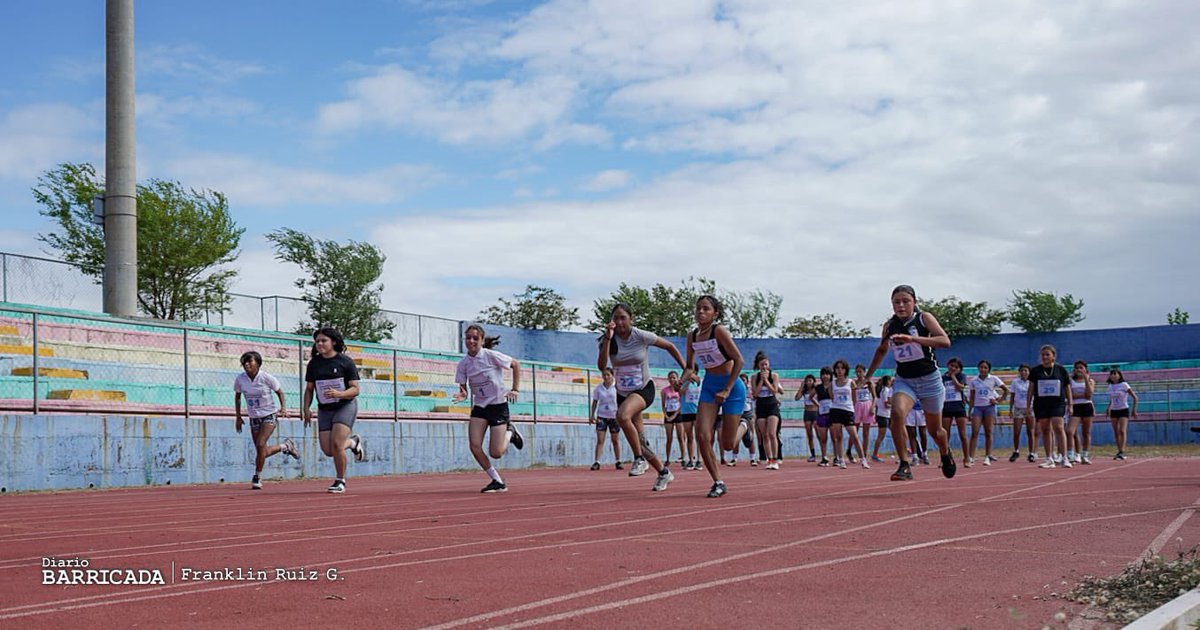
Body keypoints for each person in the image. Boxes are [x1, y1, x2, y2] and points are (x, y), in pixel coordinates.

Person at [865, 284, 956, 482]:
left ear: (914, 302)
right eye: (896, 302)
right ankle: (904, 464)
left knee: (935, 431)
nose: (901, 305)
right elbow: (881, 351)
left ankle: (945, 451)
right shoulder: (889, 326)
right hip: (905, 380)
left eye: (906, 301)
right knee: (897, 414)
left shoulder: (924, 318)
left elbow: (944, 341)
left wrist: (913, 339)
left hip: (930, 380)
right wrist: (867, 376)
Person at [597, 303, 686, 491]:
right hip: (623, 393)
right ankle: (663, 472)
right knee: (640, 440)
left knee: (621, 417)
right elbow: (601, 365)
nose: (620, 322)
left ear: (631, 319)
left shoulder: (641, 336)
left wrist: (685, 368)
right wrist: (607, 338)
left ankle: (638, 459)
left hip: (644, 389)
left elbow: (669, 346)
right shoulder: (608, 339)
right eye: (616, 318)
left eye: (623, 318)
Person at [679, 295, 746, 497]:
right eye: (698, 308)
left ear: (714, 313)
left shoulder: (719, 332)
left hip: (732, 387)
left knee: (728, 445)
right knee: (702, 435)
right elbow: (690, 367)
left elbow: (739, 361)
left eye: (706, 309)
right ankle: (718, 481)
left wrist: (726, 389)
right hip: (709, 386)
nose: (700, 312)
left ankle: (744, 424)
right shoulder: (692, 335)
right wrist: (680, 382)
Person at [453, 324, 525, 493]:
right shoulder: (463, 364)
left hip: (498, 405)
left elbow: (515, 364)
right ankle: (497, 480)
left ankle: (510, 433)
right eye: (468, 338)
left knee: (496, 452)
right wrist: (463, 395)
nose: (471, 341)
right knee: (474, 445)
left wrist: (515, 389)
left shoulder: (491, 356)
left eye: (475, 338)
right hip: (480, 407)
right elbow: (463, 388)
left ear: (482, 340)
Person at [301, 327, 366, 494]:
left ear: (334, 342)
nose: (320, 344)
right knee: (328, 450)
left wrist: (340, 394)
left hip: (345, 406)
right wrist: (306, 408)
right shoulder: (314, 364)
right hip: (325, 408)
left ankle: (340, 480)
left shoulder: (345, 362)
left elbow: (355, 389)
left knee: (337, 444)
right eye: (317, 342)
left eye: (324, 341)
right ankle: (353, 443)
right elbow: (309, 389)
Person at [234, 350, 299, 490]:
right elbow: (238, 397)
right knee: (260, 450)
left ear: (257, 363)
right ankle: (285, 446)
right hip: (253, 416)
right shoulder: (240, 379)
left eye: (250, 361)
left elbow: (280, 392)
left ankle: (257, 476)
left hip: (269, 414)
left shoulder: (266, 377)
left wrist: (283, 408)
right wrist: (238, 417)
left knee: (260, 443)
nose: (246, 364)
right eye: (244, 362)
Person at [1029, 344, 1072, 469]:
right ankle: (1049, 458)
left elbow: (1067, 387)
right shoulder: (1036, 371)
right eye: (1043, 355)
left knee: (1058, 427)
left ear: (1053, 356)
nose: (1045, 357)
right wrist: (1028, 405)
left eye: (1048, 354)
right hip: (1041, 403)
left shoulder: (1060, 369)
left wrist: (1070, 404)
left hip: (1057, 403)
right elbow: (1031, 389)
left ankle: (1064, 457)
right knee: (1045, 429)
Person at [968, 359, 1008, 467]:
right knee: (975, 431)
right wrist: (969, 411)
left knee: (988, 431)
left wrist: (999, 400)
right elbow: (971, 397)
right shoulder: (974, 380)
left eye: (985, 368)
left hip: (989, 407)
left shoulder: (993, 379)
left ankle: (987, 456)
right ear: (978, 368)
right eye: (981, 367)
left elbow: (1006, 390)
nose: (983, 369)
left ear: (988, 369)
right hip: (978, 408)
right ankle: (971, 457)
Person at [829, 359, 868, 469]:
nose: (839, 370)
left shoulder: (851, 382)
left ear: (846, 370)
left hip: (848, 410)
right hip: (836, 409)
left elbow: (854, 398)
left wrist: (851, 409)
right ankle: (841, 460)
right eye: (837, 368)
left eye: (842, 368)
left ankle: (863, 459)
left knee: (854, 436)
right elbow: (832, 396)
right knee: (838, 436)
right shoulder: (833, 383)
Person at [752, 351, 784, 469]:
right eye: (762, 365)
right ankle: (769, 459)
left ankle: (775, 459)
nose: (764, 367)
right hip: (761, 405)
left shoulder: (774, 376)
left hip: (772, 405)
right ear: (758, 366)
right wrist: (761, 380)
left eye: (766, 364)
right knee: (764, 435)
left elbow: (774, 391)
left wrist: (766, 380)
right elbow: (755, 393)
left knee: (772, 433)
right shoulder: (754, 377)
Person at [589, 367, 622, 471]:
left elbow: (621, 401)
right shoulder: (599, 388)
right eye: (604, 375)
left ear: (612, 375)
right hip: (602, 416)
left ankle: (618, 461)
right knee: (600, 440)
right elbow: (595, 402)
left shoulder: (617, 387)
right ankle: (597, 462)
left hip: (614, 416)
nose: (606, 377)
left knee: (615, 440)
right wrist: (592, 414)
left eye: (608, 375)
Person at [941, 358, 969, 467]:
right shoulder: (942, 378)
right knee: (944, 436)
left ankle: (966, 458)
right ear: (948, 365)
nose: (953, 368)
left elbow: (960, 388)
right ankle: (945, 458)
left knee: (963, 434)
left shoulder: (962, 376)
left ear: (959, 369)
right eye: (951, 365)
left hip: (959, 408)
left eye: (956, 367)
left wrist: (953, 377)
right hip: (946, 407)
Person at [1106, 367, 1138, 460]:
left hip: (1123, 409)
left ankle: (1122, 450)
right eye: (1111, 374)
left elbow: (1135, 397)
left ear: (1119, 375)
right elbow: (1111, 399)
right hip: (1114, 410)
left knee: (1122, 430)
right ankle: (1119, 450)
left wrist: (1134, 410)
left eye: (1115, 374)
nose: (1113, 375)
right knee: (1116, 431)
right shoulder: (1110, 386)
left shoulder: (1124, 385)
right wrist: (1108, 408)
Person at [1068, 360, 1097, 465]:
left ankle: (1085, 455)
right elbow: (1070, 395)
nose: (1079, 370)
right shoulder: (1071, 381)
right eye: (1077, 368)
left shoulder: (1090, 381)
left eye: (1081, 368)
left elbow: (1089, 394)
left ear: (1086, 369)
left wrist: (1085, 378)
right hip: (1075, 407)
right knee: (1070, 431)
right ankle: (1071, 453)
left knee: (1086, 432)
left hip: (1087, 406)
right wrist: (1081, 395)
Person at [1007, 364, 1036, 463]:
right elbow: (1012, 396)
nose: (1024, 372)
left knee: (1030, 431)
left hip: (1030, 408)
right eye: (1022, 370)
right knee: (1017, 431)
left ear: (1029, 372)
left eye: (1026, 370)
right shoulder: (1015, 382)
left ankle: (1031, 453)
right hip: (1018, 408)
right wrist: (1010, 409)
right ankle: (1016, 451)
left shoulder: (1032, 382)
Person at [676, 367, 702, 469]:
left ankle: (699, 460)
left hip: (697, 412)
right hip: (686, 412)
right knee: (689, 437)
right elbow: (680, 393)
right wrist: (686, 382)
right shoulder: (683, 382)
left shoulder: (700, 381)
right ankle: (691, 460)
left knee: (698, 437)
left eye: (691, 372)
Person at [852, 364, 876, 466]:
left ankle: (865, 455)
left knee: (866, 433)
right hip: (857, 406)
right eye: (857, 372)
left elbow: (875, 397)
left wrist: (872, 407)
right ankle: (855, 453)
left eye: (860, 371)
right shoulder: (853, 383)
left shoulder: (869, 382)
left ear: (864, 372)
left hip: (867, 405)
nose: (858, 374)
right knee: (854, 432)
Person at [795, 375, 820, 462]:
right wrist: (801, 387)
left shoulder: (816, 390)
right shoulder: (804, 391)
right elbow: (797, 398)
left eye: (810, 380)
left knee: (819, 433)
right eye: (807, 381)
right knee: (809, 435)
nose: (809, 382)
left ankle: (823, 453)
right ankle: (812, 454)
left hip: (815, 412)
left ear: (813, 381)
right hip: (807, 413)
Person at [660, 371, 682, 467]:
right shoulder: (664, 390)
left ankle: (683, 457)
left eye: (674, 377)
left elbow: (682, 404)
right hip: (668, 414)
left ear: (677, 378)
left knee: (681, 437)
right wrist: (666, 415)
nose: (672, 379)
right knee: (669, 438)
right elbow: (663, 404)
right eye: (670, 378)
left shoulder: (680, 390)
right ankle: (668, 458)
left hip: (678, 414)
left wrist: (675, 415)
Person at [814, 367, 834, 466]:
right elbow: (811, 396)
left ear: (830, 375)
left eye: (827, 374)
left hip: (833, 414)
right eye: (823, 374)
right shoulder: (818, 387)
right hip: (822, 414)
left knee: (835, 437)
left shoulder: (834, 385)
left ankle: (837, 457)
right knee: (823, 437)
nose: (825, 376)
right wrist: (818, 405)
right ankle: (824, 457)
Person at [870, 375, 893, 463]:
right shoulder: (886, 390)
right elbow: (887, 405)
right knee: (881, 436)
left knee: (896, 433)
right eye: (890, 381)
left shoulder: (881, 390)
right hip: (884, 415)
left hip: (884, 415)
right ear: (887, 381)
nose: (891, 382)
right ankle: (874, 454)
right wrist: (894, 406)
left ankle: (904, 450)